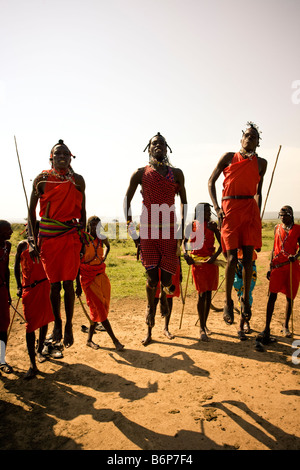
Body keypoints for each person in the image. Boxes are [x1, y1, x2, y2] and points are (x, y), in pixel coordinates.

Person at [123, 132, 187, 346]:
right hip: (148, 232)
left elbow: (184, 203)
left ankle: (162, 299)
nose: (158, 145)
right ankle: (150, 317)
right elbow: (127, 200)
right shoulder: (141, 174)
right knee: (152, 280)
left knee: (168, 282)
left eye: (161, 143)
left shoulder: (176, 174)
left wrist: (183, 232)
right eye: (154, 143)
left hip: (169, 232)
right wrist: (132, 232)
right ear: (148, 149)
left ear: (167, 148)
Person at [208, 122, 267, 332]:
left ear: (258, 142)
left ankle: (246, 301)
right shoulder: (228, 157)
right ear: (241, 138)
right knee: (232, 258)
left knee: (249, 258)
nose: (250, 139)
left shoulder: (262, 163)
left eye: (254, 137)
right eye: (247, 135)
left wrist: (257, 214)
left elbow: (258, 191)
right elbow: (210, 181)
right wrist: (217, 206)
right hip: (230, 208)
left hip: (250, 210)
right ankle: (228, 302)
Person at [28, 139, 86, 349]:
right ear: (51, 158)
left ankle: (69, 324)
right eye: (58, 154)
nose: (62, 157)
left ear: (71, 158)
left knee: (69, 283)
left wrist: (84, 237)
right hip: (49, 237)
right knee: (54, 285)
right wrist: (32, 241)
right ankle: (58, 324)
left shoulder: (78, 180)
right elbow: (31, 210)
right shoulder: (42, 180)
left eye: (66, 154)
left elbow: (83, 211)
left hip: (71, 235)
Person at [76, 216, 124, 351]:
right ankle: (115, 341)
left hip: (101, 276)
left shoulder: (101, 237)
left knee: (100, 307)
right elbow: (76, 263)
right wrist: (77, 285)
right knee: (100, 310)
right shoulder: (84, 239)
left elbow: (108, 246)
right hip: (87, 279)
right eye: (92, 225)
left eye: (97, 225)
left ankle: (89, 339)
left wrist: (104, 257)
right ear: (88, 225)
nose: (94, 227)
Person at [14, 224, 56, 379]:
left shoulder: (44, 244)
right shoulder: (22, 246)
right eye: (32, 230)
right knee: (30, 325)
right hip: (29, 289)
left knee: (45, 319)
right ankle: (32, 364)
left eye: (38, 230)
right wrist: (19, 286)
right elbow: (15, 267)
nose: (35, 233)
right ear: (28, 231)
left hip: (45, 286)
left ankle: (39, 350)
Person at [258, 206, 300, 344]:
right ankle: (267, 327)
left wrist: (296, 256)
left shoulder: (297, 229)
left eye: (284, 215)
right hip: (277, 266)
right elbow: (273, 249)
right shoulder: (277, 228)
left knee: (290, 297)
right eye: (280, 215)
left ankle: (286, 325)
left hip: (291, 266)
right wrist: (270, 266)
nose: (282, 217)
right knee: (272, 296)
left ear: (291, 215)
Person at [183, 203, 222, 341]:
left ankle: (204, 325)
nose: (208, 213)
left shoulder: (212, 226)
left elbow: (222, 245)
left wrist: (214, 257)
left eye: (208, 211)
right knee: (201, 295)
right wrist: (186, 254)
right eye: (205, 211)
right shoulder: (191, 226)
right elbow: (185, 242)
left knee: (208, 295)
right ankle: (201, 328)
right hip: (198, 264)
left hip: (211, 264)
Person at [233, 249, 257, 336]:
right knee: (240, 294)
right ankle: (245, 321)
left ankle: (242, 324)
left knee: (247, 294)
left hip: (250, 265)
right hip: (237, 265)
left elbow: (258, 248)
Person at [0, 220, 13, 374]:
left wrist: (8, 292)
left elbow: (7, 271)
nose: (10, 232)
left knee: (3, 326)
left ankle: (1, 360)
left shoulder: (7, 246)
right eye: (7, 230)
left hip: (2, 290)